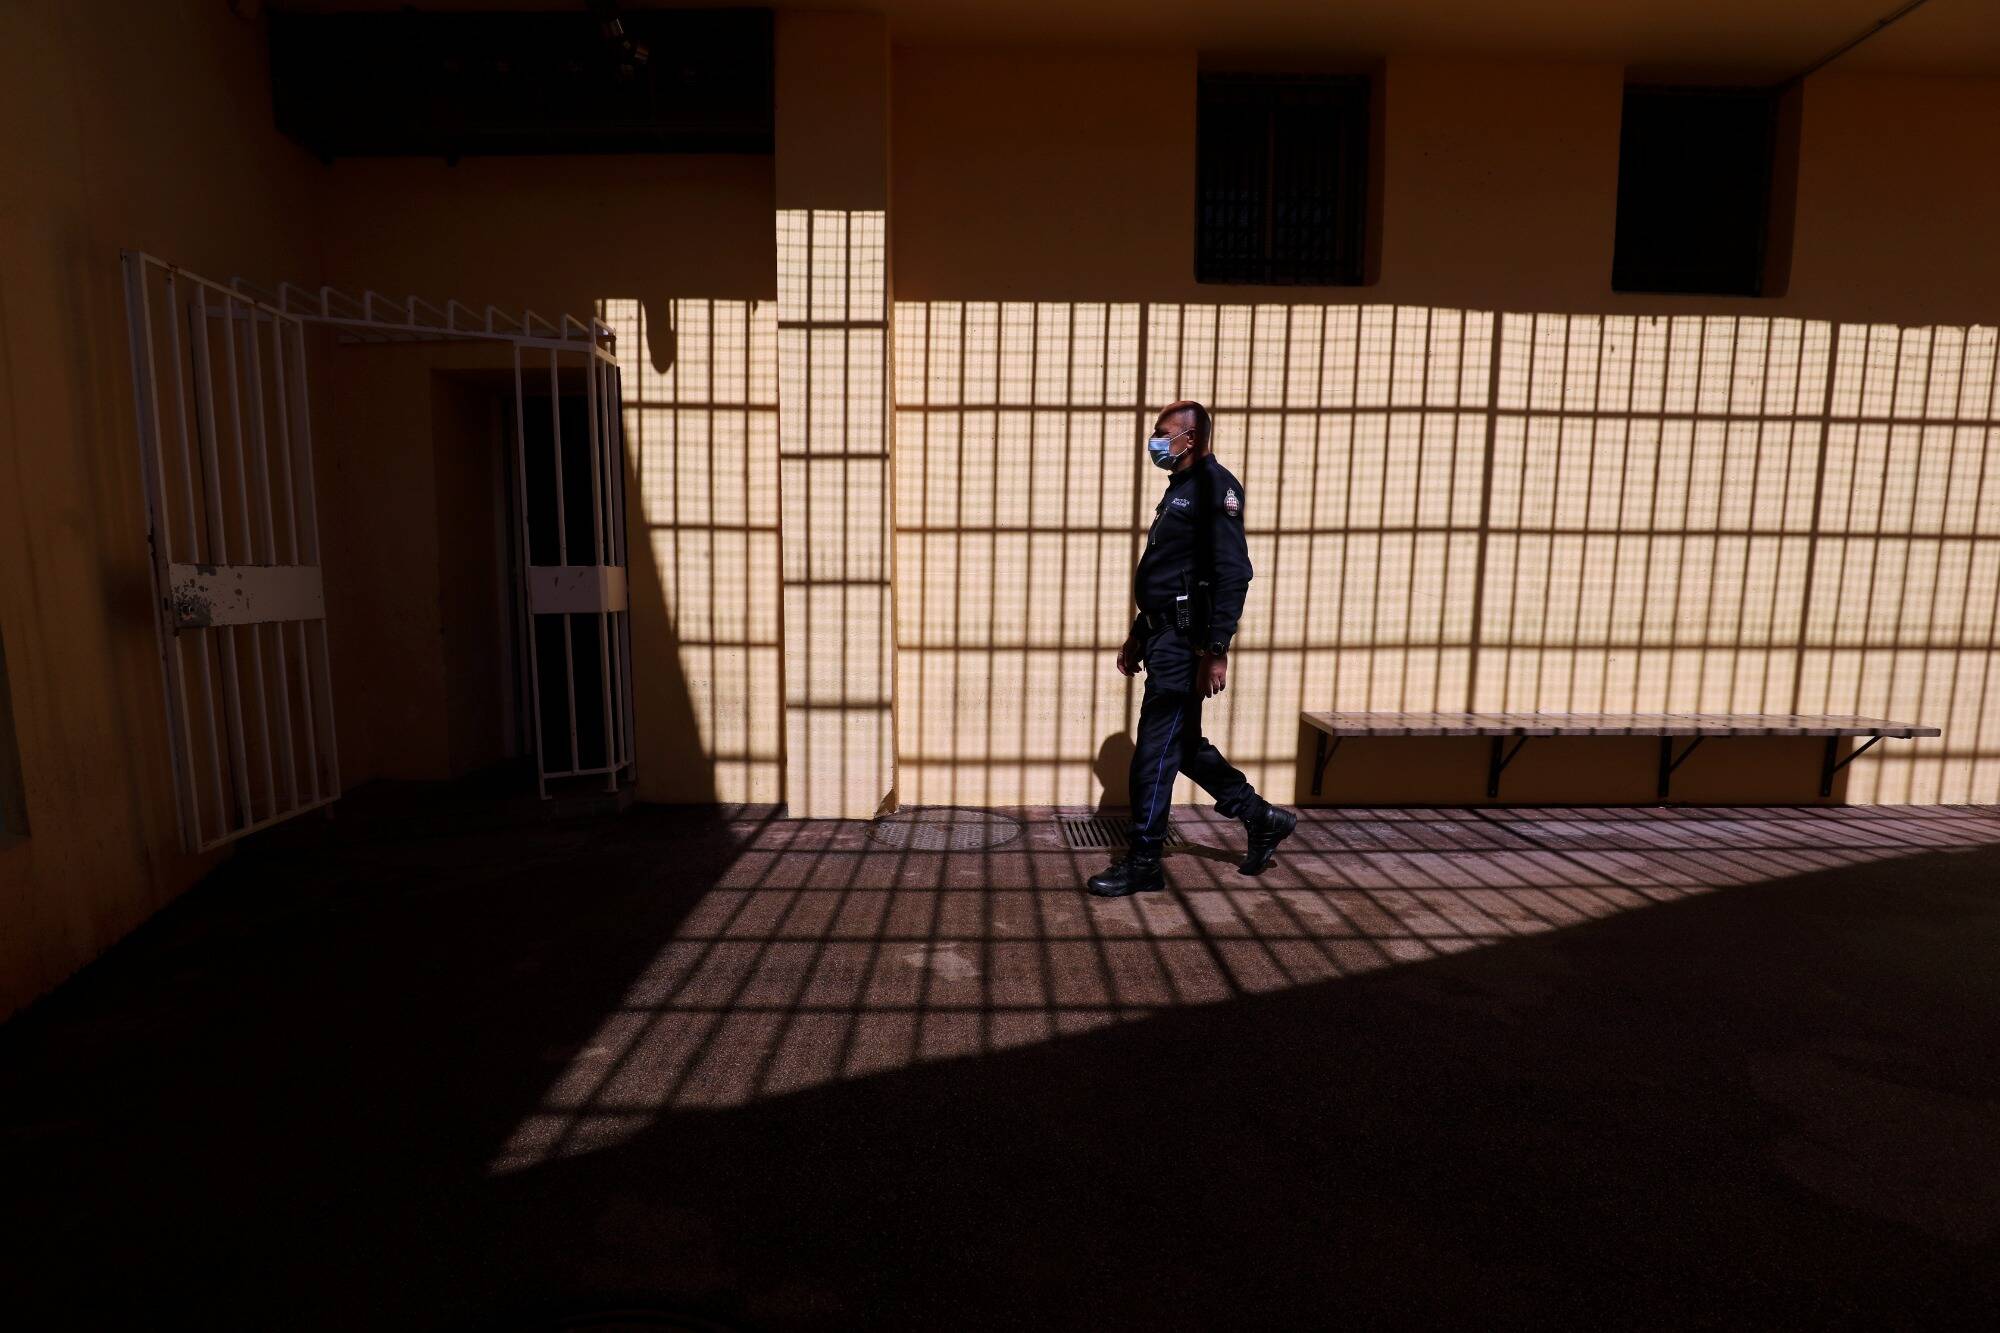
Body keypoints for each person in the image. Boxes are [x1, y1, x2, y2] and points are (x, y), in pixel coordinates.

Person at [1087, 400, 1297, 897]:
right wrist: (1139, 633)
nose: (1156, 442)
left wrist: (1216, 649)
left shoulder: (1214, 488)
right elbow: (1171, 574)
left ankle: (1144, 861)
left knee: (1154, 752)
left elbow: (1233, 573)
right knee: (1179, 746)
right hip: (1163, 636)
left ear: (1192, 438)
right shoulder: (1179, 489)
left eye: (1164, 433)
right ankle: (1259, 816)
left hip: (1186, 644)